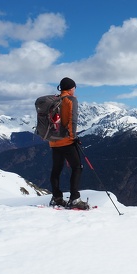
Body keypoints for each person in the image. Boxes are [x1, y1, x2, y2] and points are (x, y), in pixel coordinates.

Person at [48, 77, 89, 210]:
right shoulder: (71, 100)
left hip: (54, 141)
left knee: (56, 170)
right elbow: (73, 120)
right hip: (67, 141)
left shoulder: (54, 100)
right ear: (71, 88)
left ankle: (56, 198)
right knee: (77, 167)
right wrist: (73, 137)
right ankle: (74, 199)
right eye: (74, 87)